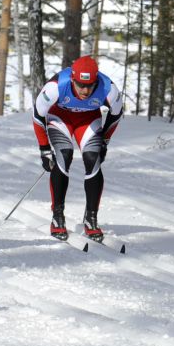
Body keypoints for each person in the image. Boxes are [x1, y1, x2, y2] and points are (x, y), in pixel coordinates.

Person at [32, 55, 123, 241]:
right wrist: (44, 148)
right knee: (64, 155)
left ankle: (91, 218)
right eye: (80, 85)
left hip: (88, 120)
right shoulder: (56, 86)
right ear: (72, 79)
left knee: (92, 158)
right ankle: (57, 216)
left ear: (96, 80)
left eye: (90, 85)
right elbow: (38, 114)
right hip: (60, 118)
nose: (85, 90)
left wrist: (104, 141)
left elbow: (116, 114)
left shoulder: (108, 88)